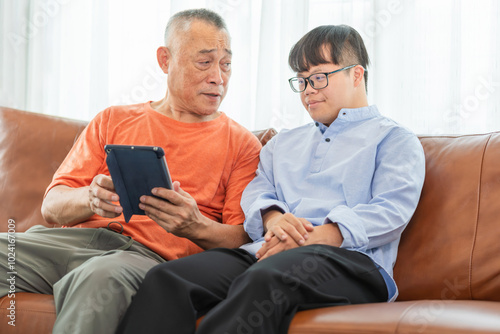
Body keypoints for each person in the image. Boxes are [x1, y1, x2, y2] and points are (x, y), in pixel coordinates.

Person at [116, 24, 426, 334]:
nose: (308, 91)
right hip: (269, 252)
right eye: (301, 81)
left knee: (268, 277)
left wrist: (314, 237)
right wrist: (274, 221)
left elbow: (391, 210)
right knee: (167, 278)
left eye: (319, 78)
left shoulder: (394, 139)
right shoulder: (283, 144)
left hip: (352, 263)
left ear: (356, 74)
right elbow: (257, 192)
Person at [0, 8, 261, 334]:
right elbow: (51, 207)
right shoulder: (113, 119)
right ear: (165, 60)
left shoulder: (243, 145)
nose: (218, 78)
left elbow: (243, 239)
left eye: (226, 64)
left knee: (101, 277)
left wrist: (195, 226)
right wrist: (89, 198)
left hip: (143, 257)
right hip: (67, 242)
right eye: (205, 62)